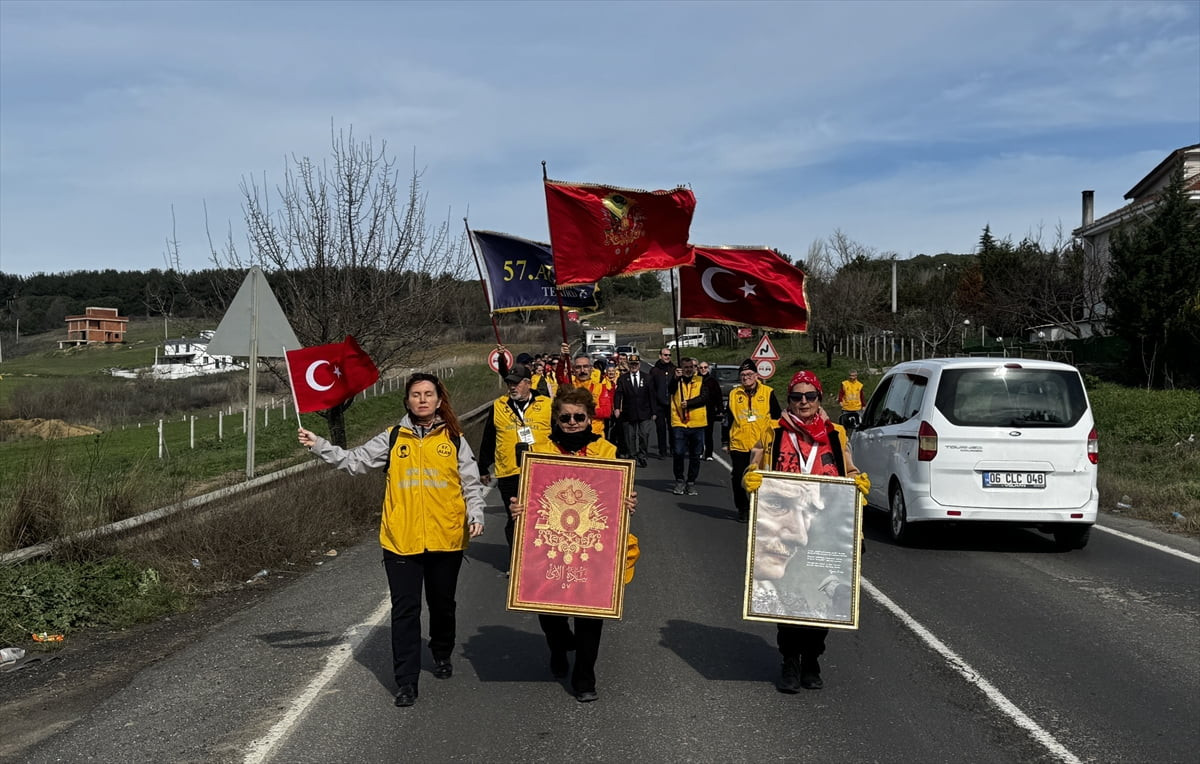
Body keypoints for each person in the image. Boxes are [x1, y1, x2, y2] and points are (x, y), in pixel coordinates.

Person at [297, 373, 485, 708]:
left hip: (446, 537)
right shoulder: (393, 437)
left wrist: (476, 515)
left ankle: (441, 652)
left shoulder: (454, 438)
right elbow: (354, 462)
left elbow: (470, 483)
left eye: (428, 394)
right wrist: (319, 445)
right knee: (405, 612)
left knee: (442, 606)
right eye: (416, 394)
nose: (422, 400)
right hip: (401, 540)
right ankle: (406, 682)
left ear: (439, 400)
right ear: (407, 401)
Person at [742, 370, 870, 694]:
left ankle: (812, 657)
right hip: (785, 532)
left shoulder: (836, 434)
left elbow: (849, 471)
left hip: (825, 532)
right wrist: (751, 479)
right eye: (797, 397)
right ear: (789, 400)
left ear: (819, 399)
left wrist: (858, 485)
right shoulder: (773, 432)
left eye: (809, 396)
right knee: (787, 601)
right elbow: (753, 467)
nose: (803, 402)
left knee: (822, 600)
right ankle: (789, 660)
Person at [510, 386, 640, 703]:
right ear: (556, 418)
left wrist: (627, 501)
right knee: (548, 610)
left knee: (590, 613)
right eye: (565, 416)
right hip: (551, 542)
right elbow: (528, 497)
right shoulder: (538, 451)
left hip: (591, 543)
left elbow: (615, 496)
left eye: (578, 417)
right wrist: (518, 508)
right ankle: (557, 646)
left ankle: (584, 677)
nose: (571, 422)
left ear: (589, 419)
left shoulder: (608, 451)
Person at [477, 362, 553, 559]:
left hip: (541, 470)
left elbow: (559, 435)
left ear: (527, 383)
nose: (512, 387)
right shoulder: (499, 406)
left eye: (516, 383)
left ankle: (541, 557)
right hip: (509, 470)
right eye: (509, 383)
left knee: (541, 516)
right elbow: (489, 437)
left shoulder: (546, 404)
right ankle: (516, 559)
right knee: (515, 516)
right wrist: (483, 466)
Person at [727, 359, 781, 523]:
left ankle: (762, 509)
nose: (746, 378)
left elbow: (777, 418)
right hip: (739, 444)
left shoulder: (768, 392)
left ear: (756, 375)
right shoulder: (734, 394)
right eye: (742, 375)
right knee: (738, 478)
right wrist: (725, 441)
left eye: (749, 374)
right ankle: (743, 508)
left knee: (763, 480)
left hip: (762, 446)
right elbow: (728, 418)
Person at [669, 357, 708, 496]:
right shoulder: (676, 380)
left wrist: (690, 403)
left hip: (697, 423)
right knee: (678, 452)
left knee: (695, 455)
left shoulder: (701, 380)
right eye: (685, 367)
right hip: (679, 422)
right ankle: (679, 480)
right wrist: (675, 378)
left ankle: (691, 482)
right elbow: (669, 390)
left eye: (690, 367)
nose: (688, 369)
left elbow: (705, 397)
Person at [612, 353, 655, 467]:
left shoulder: (647, 378)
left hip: (644, 411)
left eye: (636, 364)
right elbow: (618, 394)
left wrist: (654, 411)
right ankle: (633, 455)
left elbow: (652, 395)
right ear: (629, 364)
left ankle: (642, 455)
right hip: (628, 411)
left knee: (644, 434)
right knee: (630, 436)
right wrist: (616, 408)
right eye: (631, 364)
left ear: (639, 364)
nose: (634, 366)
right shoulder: (622, 378)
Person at [648, 347, 676, 458]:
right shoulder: (654, 370)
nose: (667, 357)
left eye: (669, 355)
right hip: (659, 404)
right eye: (665, 355)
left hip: (672, 404)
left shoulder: (674, 369)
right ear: (660, 356)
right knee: (660, 428)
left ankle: (674, 449)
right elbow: (651, 388)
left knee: (673, 428)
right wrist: (652, 406)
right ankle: (662, 450)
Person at [697, 360, 724, 461]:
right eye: (701, 367)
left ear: (708, 369)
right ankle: (699, 451)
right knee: (698, 433)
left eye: (705, 367)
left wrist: (720, 409)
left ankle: (709, 454)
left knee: (709, 433)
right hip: (697, 410)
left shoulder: (712, 381)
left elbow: (718, 396)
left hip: (709, 410)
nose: (703, 369)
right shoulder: (695, 380)